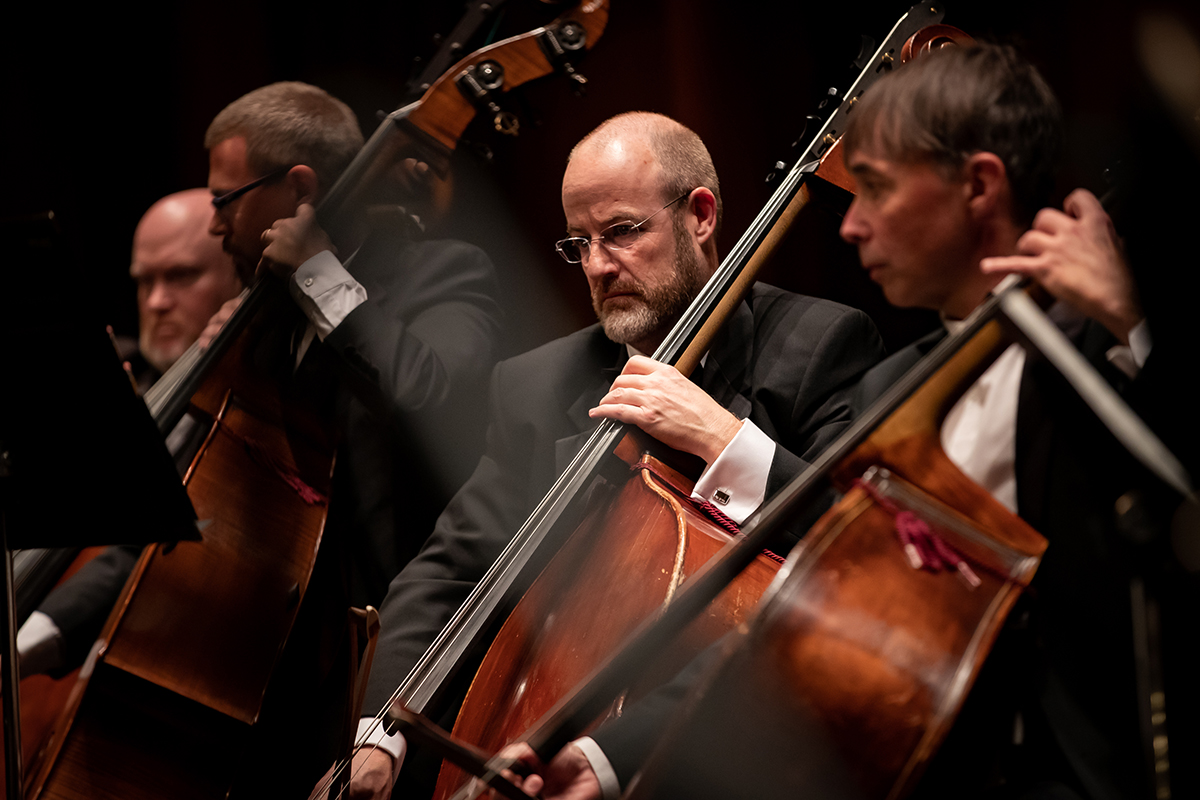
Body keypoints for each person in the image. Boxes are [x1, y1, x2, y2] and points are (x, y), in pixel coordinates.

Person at [516, 43, 1189, 800]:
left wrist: (1135, 326)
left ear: (978, 185)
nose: (850, 226)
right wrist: (607, 757)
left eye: (874, 189)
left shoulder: (1106, 344)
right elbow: (812, 620)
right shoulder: (892, 392)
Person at [338, 111, 886, 799]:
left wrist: (724, 440)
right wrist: (378, 735)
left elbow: (858, 554)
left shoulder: (819, 346)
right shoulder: (537, 383)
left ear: (701, 215)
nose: (598, 265)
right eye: (579, 243)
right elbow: (448, 571)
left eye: (623, 232)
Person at [15, 187, 243, 678]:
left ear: (239, 270)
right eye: (144, 282)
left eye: (181, 276)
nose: (157, 301)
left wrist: (26, 639)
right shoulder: (103, 377)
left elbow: (156, 544)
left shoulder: (247, 422)